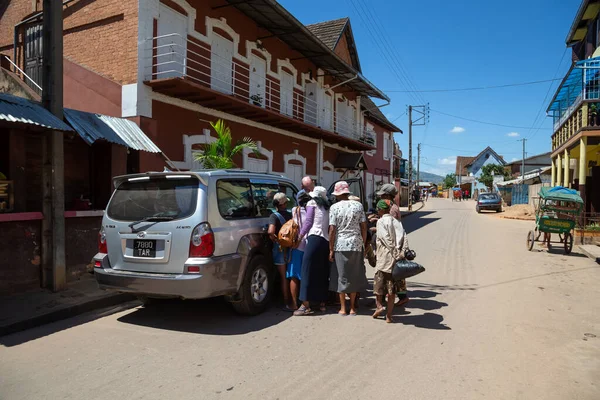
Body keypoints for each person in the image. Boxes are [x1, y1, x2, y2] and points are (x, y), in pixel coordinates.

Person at [328, 181, 368, 316]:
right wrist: (363, 242)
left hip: (340, 245)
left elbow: (332, 229)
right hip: (356, 244)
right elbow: (364, 226)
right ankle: (353, 308)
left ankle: (343, 308)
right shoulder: (358, 206)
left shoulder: (334, 208)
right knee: (354, 276)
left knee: (342, 276)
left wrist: (331, 248)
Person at [294, 186, 331, 316]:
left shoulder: (311, 203)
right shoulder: (327, 206)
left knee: (307, 270)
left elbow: (308, 222)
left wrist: (299, 237)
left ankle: (305, 305)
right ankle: (321, 303)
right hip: (325, 240)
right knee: (321, 271)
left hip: (314, 237)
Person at [373, 199, 405, 323]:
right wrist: (400, 253)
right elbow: (404, 237)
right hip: (395, 260)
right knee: (391, 290)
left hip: (384, 259)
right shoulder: (397, 222)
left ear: (381, 210)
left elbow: (385, 238)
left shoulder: (380, 222)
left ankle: (379, 306)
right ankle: (389, 316)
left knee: (378, 286)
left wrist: (393, 250)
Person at [268, 192, 293, 311]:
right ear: (284, 204)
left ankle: (286, 301)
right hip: (290, 247)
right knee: (290, 276)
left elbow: (270, 231)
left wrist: (276, 240)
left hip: (279, 249)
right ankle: (294, 299)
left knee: (283, 277)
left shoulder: (274, 216)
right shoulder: (290, 215)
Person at [288, 190, 311, 311]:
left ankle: (294, 304)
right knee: (306, 275)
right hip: (309, 245)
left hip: (297, 245)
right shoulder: (312, 210)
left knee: (294, 276)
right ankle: (306, 303)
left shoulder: (294, 210)